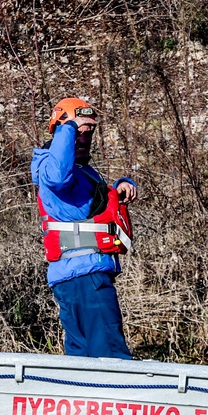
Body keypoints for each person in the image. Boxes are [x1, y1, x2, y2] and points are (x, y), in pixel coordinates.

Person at [32, 98, 139, 359]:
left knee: (82, 358)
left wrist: (120, 186)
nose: (84, 137)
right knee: (110, 354)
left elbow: (88, 207)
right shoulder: (53, 168)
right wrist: (68, 127)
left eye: (90, 132)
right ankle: (121, 397)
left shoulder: (81, 171)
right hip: (86, 277)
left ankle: (82, 397)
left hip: (76, 277)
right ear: (61, 131)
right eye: (79, 131)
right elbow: (59, 177)